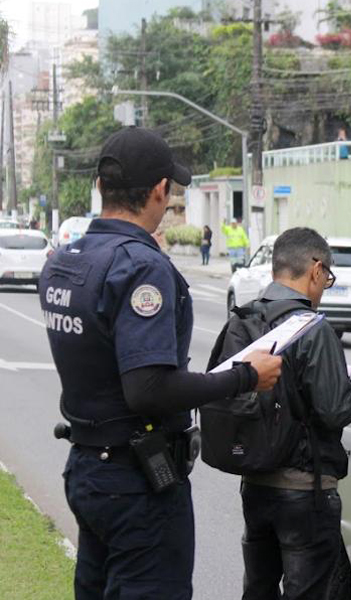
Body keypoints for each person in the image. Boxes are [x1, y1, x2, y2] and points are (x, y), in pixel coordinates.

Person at [39, 126, 284, 600]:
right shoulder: (140, 266)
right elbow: (147, 390)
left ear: (99, 186)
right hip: (137, 483)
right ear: (158, 192)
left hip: (88, 468)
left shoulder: (65, 261)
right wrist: (246, 375)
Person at [230, 227, 351, 600]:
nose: (324, 286)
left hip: (255, 484)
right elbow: (335, 409)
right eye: (327, 277)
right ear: (316, 270)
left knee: (258, 590)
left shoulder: (243, 321)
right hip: (304, 491)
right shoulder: (312, 329)